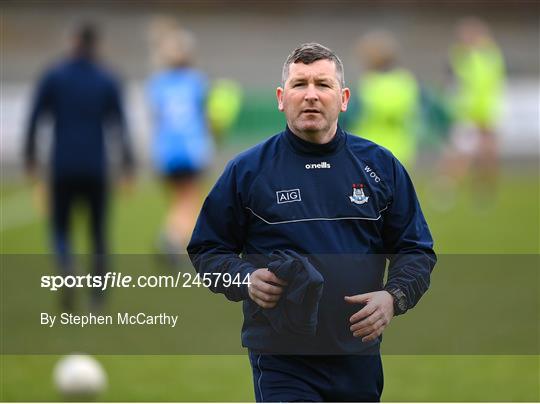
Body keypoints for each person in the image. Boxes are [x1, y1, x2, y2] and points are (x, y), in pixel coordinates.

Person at [188, 43, 436, 402]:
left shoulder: (381, 167)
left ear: (344, 98)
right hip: (281, 359)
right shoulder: (248, 170)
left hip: (358, 356)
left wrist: (393, 297)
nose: (310, 96)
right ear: (280, 97)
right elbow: (206, 248)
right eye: (299, 84)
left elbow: (415, 249)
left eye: (323, 84)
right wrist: (244, 279)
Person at [24, 23, 134, 310]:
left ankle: (66, 266)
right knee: (98, 231)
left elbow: (35, 118)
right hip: (96, 167)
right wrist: (127, 163)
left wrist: (31, 157)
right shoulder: (107, 78)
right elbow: (120, 125)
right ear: (96, 44)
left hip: (62, 166)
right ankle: (97, 296)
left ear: (73, 41)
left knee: (60, 228)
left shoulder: (54, 75)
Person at [146, 23, 215, 258]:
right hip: (191, 147)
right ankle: (172, 238)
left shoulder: (158, 83)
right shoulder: (196, 81)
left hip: (166, 149)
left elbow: (157, 117)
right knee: (190, 198)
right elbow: (204, 116)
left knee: (179, 198)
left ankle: (177, 239)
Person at [434, 17, 505, 209]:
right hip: (466, 113)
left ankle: (482, 193)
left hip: (487, 112)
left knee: (488, 155)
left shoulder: (490, 55)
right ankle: (445, 189)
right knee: (460, 154)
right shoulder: (461, 56)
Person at [347, 30, 420, 169]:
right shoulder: (406, 81)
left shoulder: (368, 85)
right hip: (402, 148)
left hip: (369, 148)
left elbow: (352, 116)